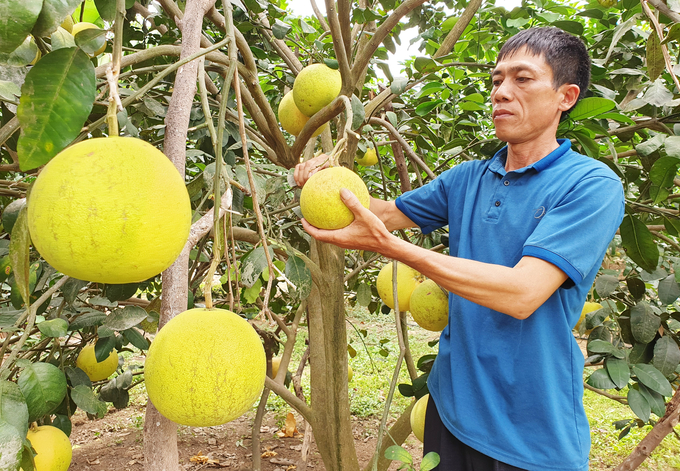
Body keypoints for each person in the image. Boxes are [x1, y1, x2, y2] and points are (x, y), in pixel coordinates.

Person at [294, 27, 624, 471]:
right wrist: (321, 180)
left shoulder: (590, 185)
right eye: (496, 80)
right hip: (450, 412)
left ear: (566, 96)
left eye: (522, 80)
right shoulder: (468, 178)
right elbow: (381, 214)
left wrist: (396, 251)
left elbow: (522, 294)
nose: (501, 92)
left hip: (529, 432)